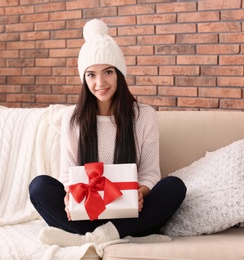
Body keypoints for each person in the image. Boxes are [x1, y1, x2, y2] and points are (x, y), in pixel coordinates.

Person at [29, 19, 186, 247]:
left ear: (119, 74)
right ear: (84, 79)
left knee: (174, 186)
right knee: (39, 186)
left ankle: (91, 238)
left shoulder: (144, 115)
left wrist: (140, 193)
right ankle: (115, 235)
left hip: (130, 210)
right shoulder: (72, 119)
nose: (100, 82)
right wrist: (69, 195)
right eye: (91, 75)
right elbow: (67, 174)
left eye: (108, 72)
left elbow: (151, 173)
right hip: (88, 211)